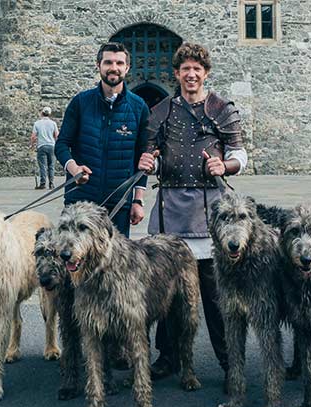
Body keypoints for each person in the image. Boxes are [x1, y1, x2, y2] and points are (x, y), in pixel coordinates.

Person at [137, 43, 247, 381]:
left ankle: (231, 364)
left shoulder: (221, 108)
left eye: (197, 69)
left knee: (214, 296)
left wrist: (223, 165)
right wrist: (147, 162)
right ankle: (168, 357)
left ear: (206, 73)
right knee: (167, 293)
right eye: (185, 68)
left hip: (209, 212)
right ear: (177, 73)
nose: (191, 74)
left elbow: (240, 154)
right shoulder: (162, 111)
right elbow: (149, 152)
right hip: (170, 210)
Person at [54, 42, 149, 237]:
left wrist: (138, 201)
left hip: (119, 203)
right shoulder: (80, 103)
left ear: (127, 68)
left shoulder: (139, 107)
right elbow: (62, 145)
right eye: (108, 62)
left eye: (119, 63)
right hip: (80, 201)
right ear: (98, 65)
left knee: (116, 264)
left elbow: (143, 157)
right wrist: (74, 169)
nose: (113, 68)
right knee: (74, 260)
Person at [31, 107, 59, 189]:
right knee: (51, 165)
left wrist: (32, 145)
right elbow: (57, 135)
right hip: (51, 146)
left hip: (42, 146)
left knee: (42, 165)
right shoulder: (53, 123)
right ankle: (51, 183)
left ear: (42, 113)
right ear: (50, 114)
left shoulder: (37, 123)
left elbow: (33, 136)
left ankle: (43, 183)